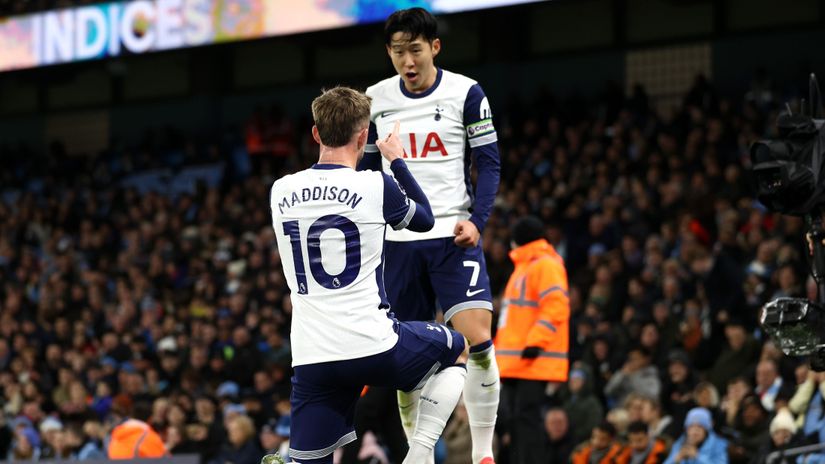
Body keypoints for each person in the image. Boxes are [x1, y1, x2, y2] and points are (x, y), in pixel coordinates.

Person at [269, 87, 468, 464]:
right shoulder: (376, 185)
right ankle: (419, 453)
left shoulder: (281, 190)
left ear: (316, 134)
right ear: (363, 137)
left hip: (312, 357)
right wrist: (396, 160)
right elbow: (425, 219)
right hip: (373, 346)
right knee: (457, 348)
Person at [358, 8, 501, 463]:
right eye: (399, 52)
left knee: (478, 340)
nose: (408, 61)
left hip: (452, 235)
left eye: (415, 50)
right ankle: (417, 454)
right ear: (389, 53)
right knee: (408, 361)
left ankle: (483, 453)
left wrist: (477, 220)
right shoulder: (375, 99)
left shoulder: (467, 93)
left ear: (435, 47)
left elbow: (489, 164)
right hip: (398, 243)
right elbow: (366, 172)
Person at [494, 215, 570, 464]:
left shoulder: (545, 265)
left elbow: (556, 306)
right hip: (515, 361)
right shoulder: (525, 267)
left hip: (533, 358)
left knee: (527, 420)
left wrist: (536, 341)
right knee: (516, 421)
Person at [663, 407, 728, 464]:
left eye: (699, 426)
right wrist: (676, 460)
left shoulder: (718, 445)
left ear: (706, 430)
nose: (695, 431)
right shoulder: (679, 444)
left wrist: (697, 456)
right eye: (691, 426)